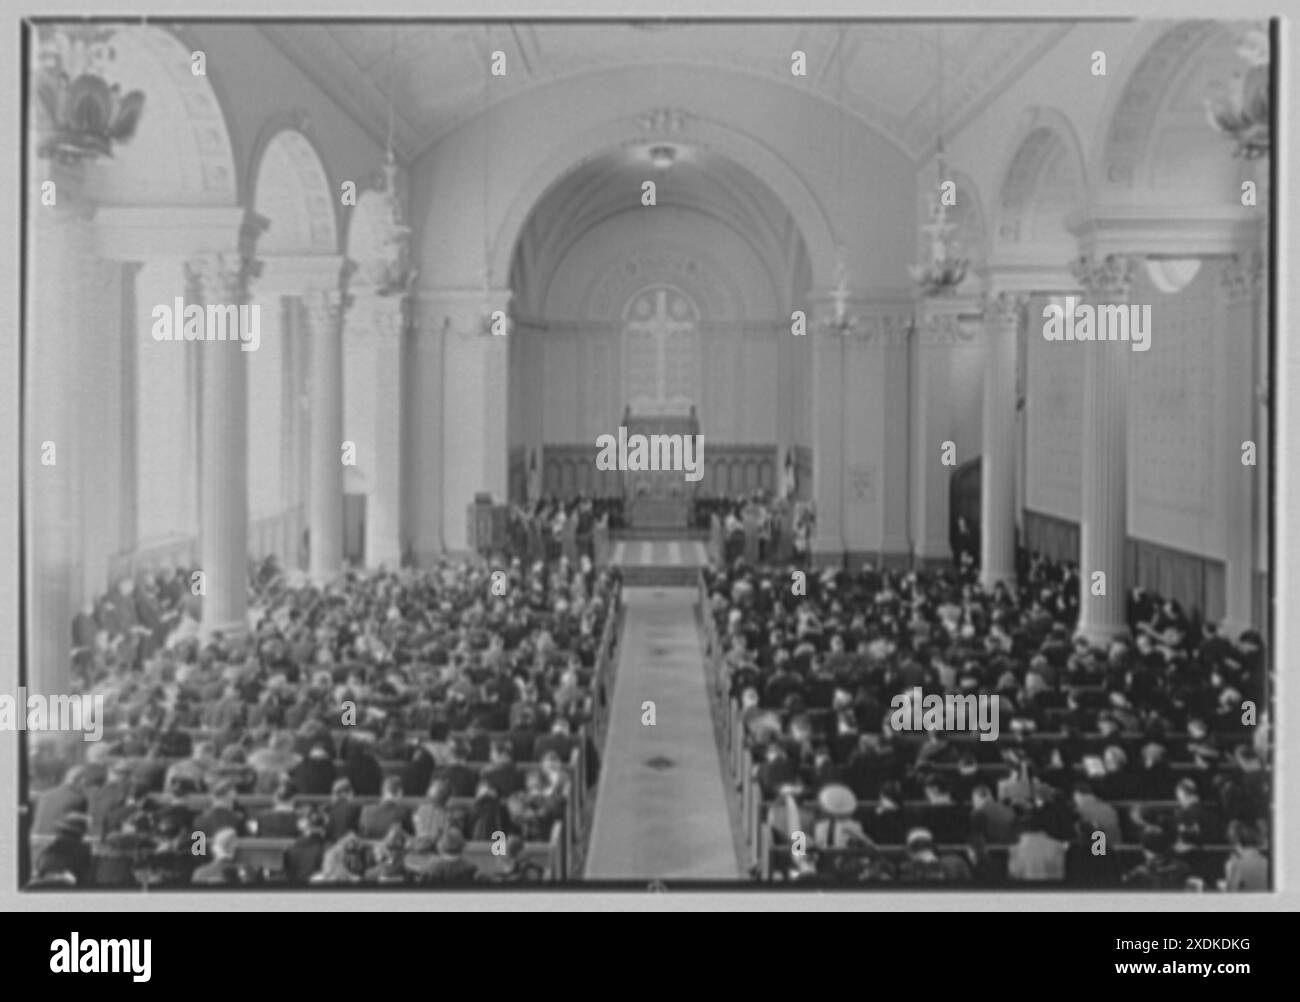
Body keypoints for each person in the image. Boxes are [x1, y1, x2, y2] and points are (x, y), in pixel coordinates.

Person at [1007, 813, 1068, 883]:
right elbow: (1060, 874)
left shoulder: (1015, 849)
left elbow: (1014, 874)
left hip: (1026, 890)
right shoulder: (1057, 846)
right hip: (1052, 890)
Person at [1221, 821, 1268, 892]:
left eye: (1232, 842)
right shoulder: (1265, 861)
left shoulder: (1234, 864)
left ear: (1237, 843)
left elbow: (1231, 893)